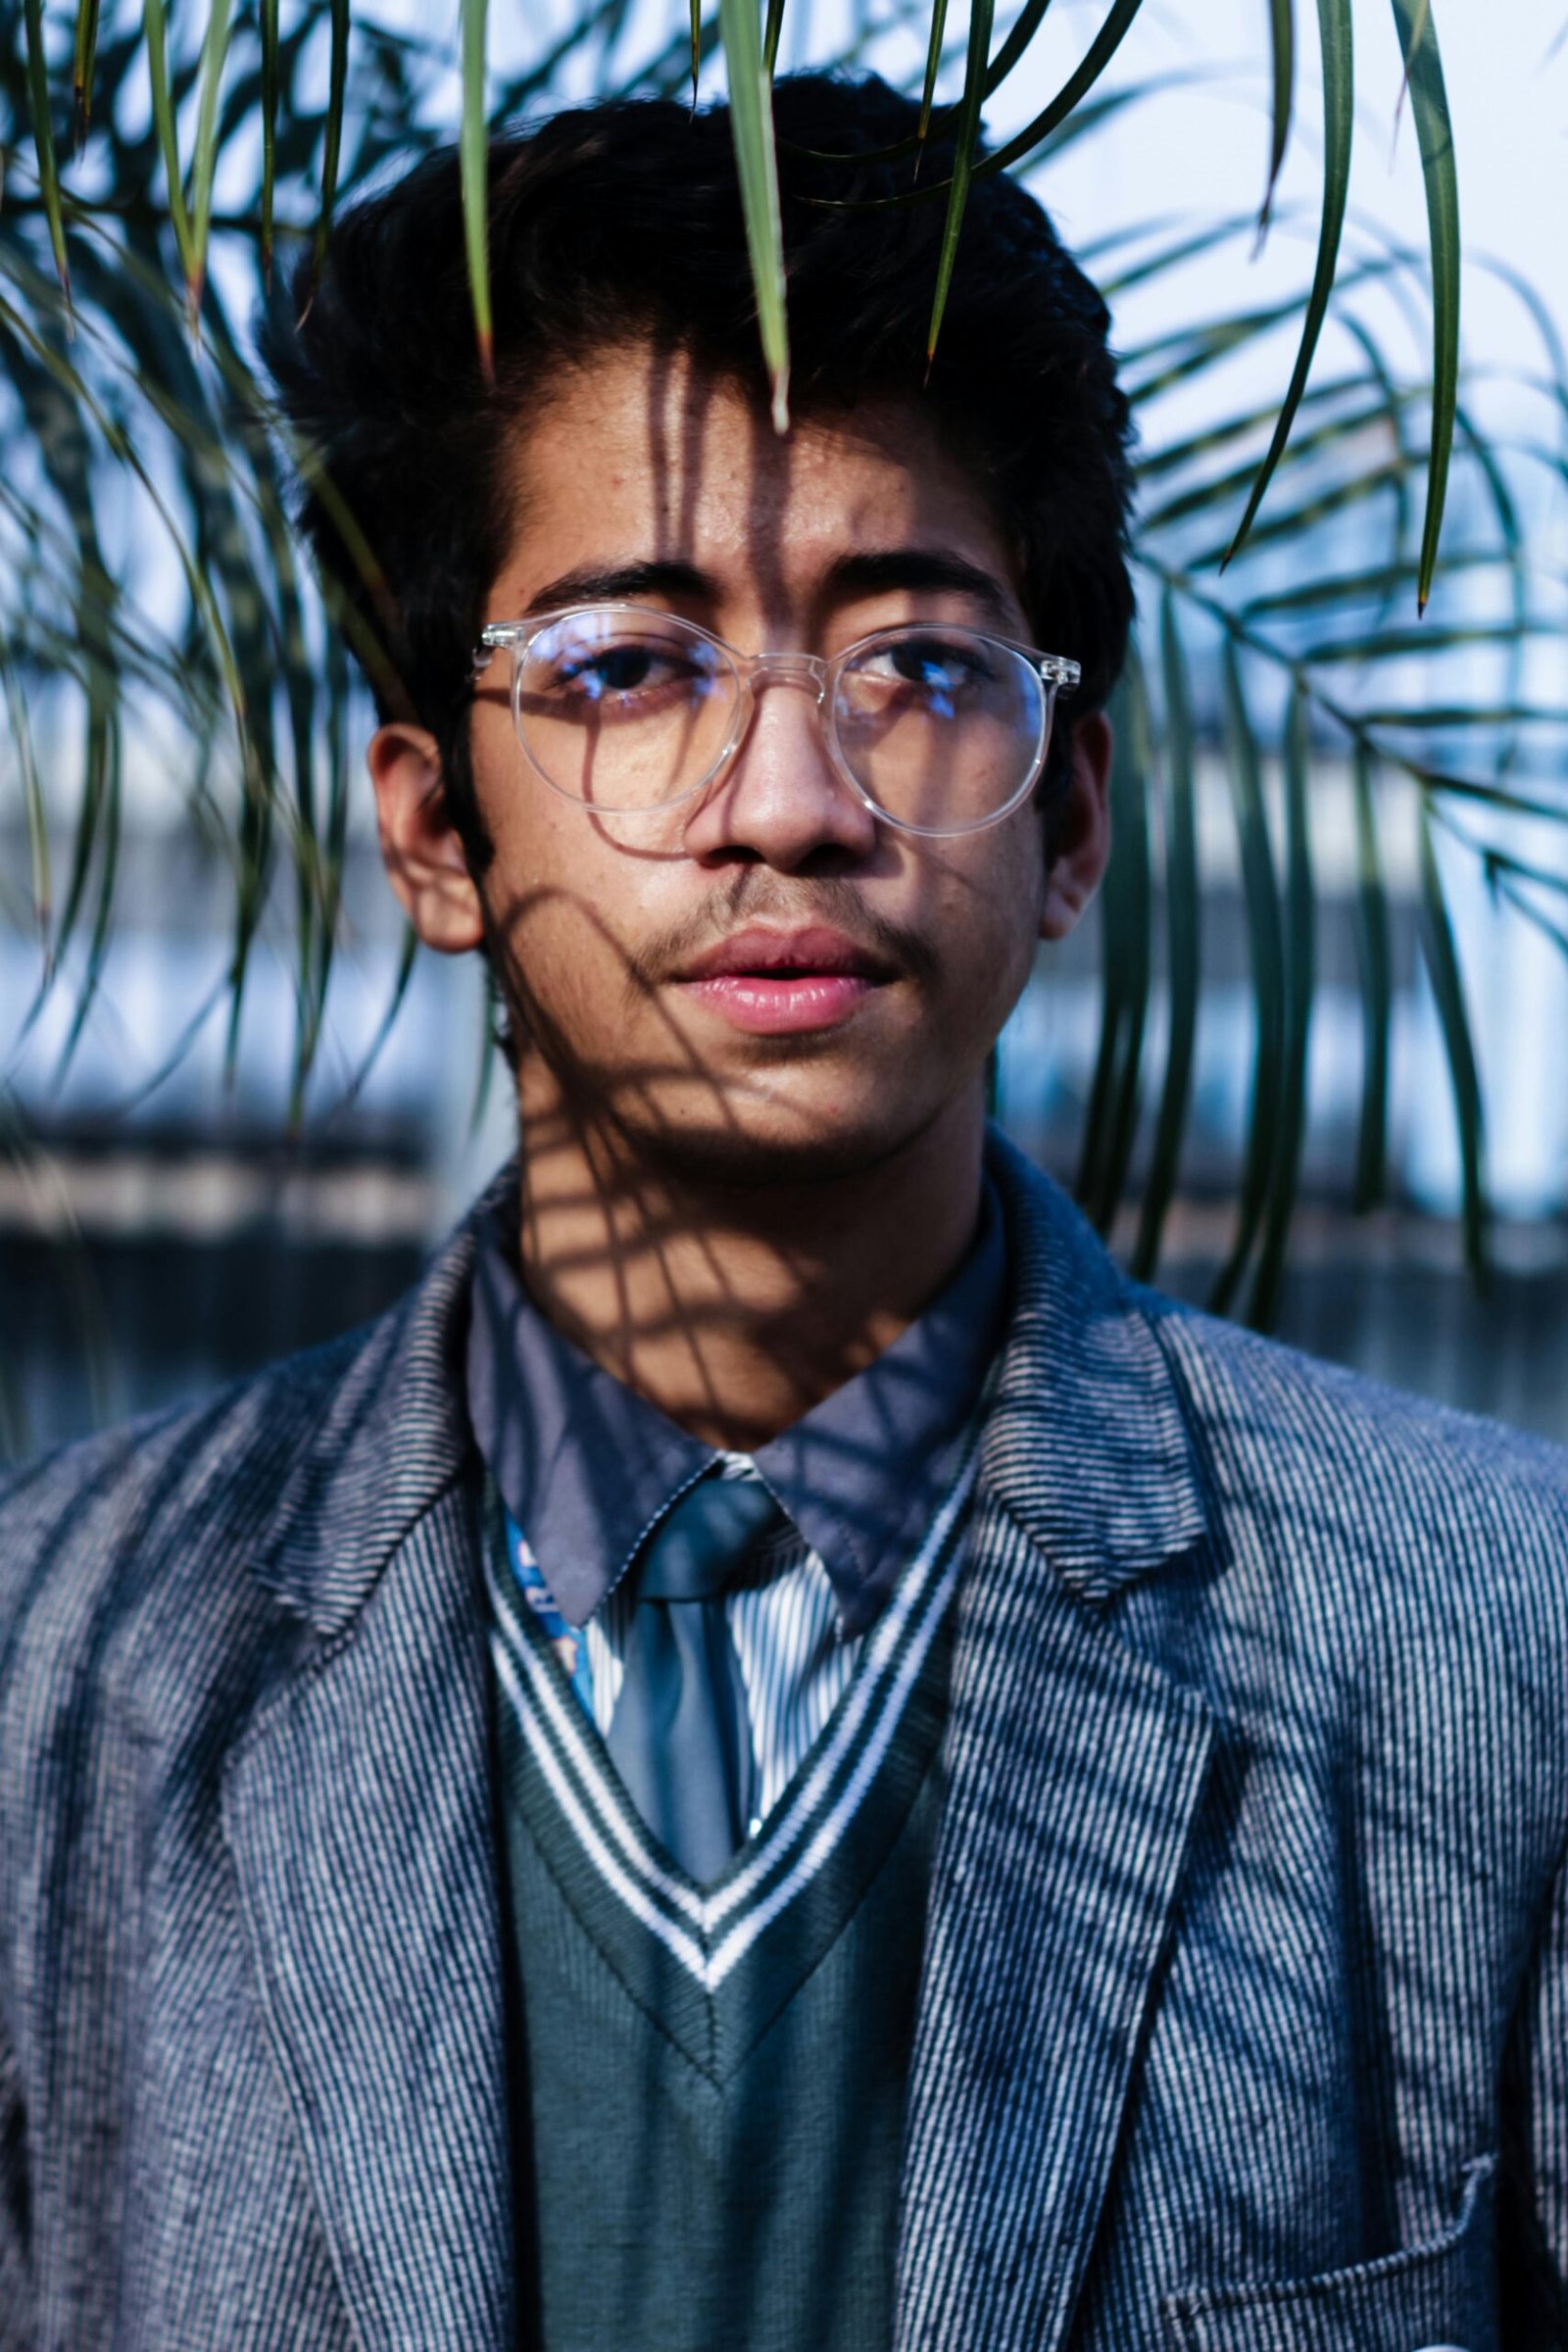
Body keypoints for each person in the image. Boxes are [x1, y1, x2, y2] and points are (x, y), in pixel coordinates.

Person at [2, 70, 1565, 2352]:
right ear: (433, 828)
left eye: (918, 665)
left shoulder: (1486, 1652)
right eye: (630, 670)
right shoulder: (74, 1668)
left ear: (1071, 816)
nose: (788, 800)